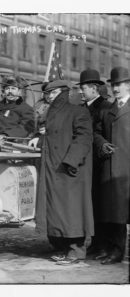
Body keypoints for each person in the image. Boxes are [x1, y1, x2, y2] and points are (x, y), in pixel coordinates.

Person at [30, 80, 94, 265]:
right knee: (58, 210)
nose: (47, 97)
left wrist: (71, 161)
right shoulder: (54, 111)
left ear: (59, 92)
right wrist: (39, 140)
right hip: (54, 167)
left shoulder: (77, 110)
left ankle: (76, 251)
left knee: (72, 210)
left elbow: (84, 137)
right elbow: (52, 137)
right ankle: (64, 247)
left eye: (50, 93)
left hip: (69, 169)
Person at [93, 66, 130, 264]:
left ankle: (118, 250)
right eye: (113, 85)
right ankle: (109, 248)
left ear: (128, 85)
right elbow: (96, 132)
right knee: (109, 209)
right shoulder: (107, 109)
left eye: (119, 85)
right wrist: (102, 144)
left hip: (126, 168)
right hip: (108, 165)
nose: (115, 89)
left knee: (121, 211)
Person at [76, 69, 113, 257]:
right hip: (86, 163)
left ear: (93, 88)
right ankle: (96, 243)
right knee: (91, 205)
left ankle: (103, 245)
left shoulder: (105, 107)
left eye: (83, 88)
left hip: (99, 163)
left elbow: (104, 134)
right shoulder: (83, 107)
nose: (81, 92)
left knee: (100, 206)